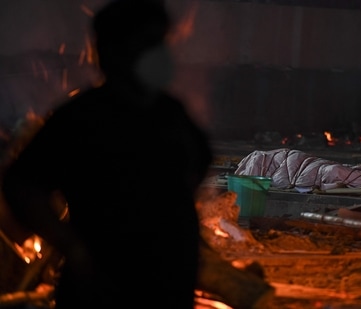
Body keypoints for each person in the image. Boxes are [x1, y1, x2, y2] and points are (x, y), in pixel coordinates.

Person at [1, 0, 212, 308]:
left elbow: (199, 163)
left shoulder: (170, 112)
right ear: (114, 51)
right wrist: (71, 245)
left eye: (162, 42)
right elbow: (22, 186)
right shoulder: (82, 118)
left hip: (169, 287)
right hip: (103, 290)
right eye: (149, 43)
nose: (162, 54)